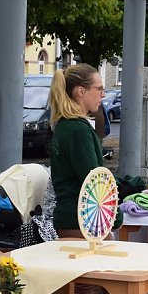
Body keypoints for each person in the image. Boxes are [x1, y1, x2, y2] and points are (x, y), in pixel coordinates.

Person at [48, 64, 106, 239]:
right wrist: (117, 216)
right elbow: (94, 182)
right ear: (81, 91)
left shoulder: (66, 125)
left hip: (73, 219)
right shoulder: (77, 130)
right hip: (82, 222)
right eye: (99, 89)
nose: (103, 94)